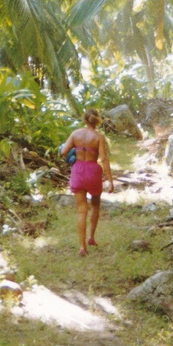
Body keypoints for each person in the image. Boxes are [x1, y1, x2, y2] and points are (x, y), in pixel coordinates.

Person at [60, 109, 114, 256]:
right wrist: (110, 180)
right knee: (95, 205)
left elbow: (64, 152)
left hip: (78, 171)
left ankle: (82, 247)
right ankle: (91, 237)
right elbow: (103, 159)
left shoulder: (75, 134)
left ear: (84, 120)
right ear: (96, 121)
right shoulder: (99, 137)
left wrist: (72, 155)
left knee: (81, 210)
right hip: (93, 171)